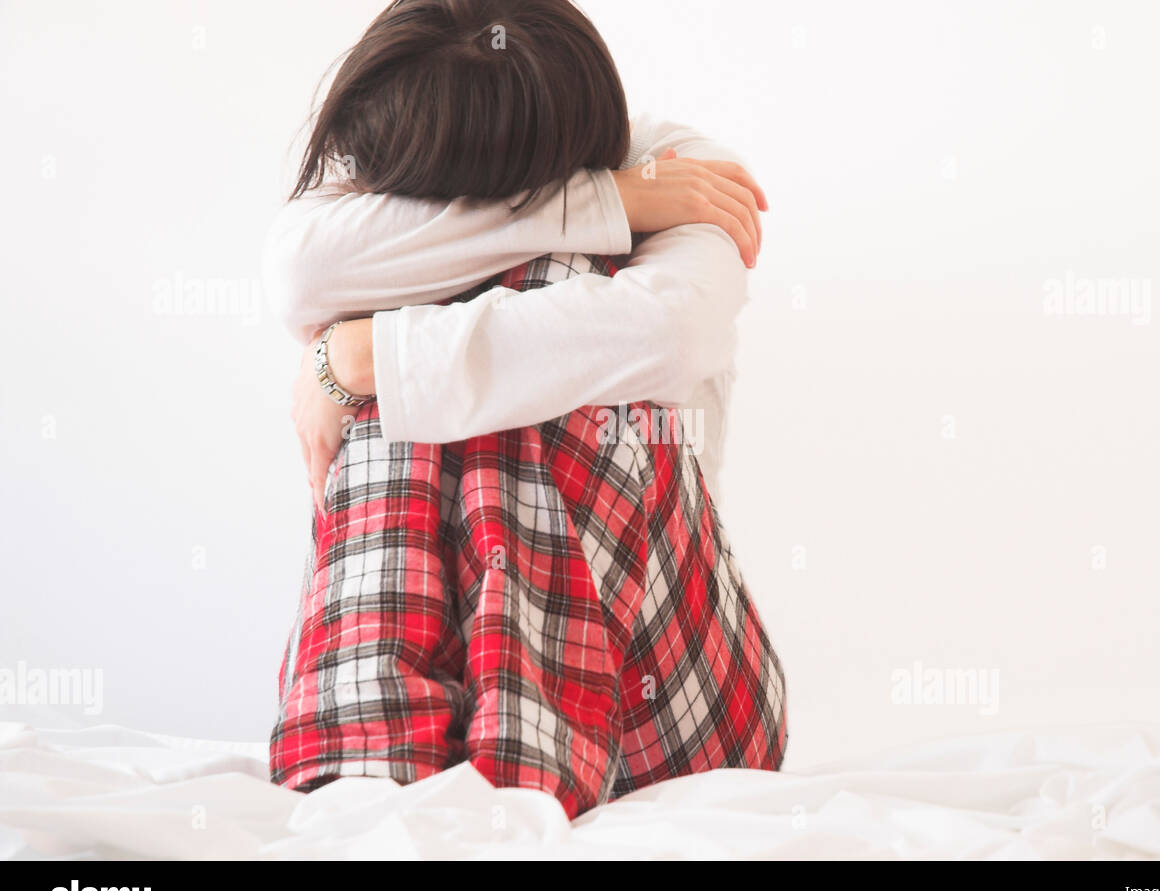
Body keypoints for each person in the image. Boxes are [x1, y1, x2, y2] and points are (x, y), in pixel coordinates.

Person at [264, 0, 787, 819]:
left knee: (527, 294)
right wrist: (595, 202)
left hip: (678, 700)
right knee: (412, 340)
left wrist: (361, 355)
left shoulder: (680, 166)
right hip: (446, 662)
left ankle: (479, 777)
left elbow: (674, 331)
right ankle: (381, 772)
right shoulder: (373, 187)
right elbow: (299, 273)